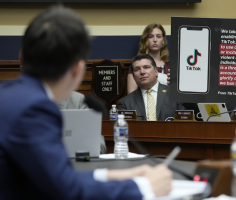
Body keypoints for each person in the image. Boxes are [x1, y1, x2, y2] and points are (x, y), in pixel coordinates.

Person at [0, 5, 172, 200]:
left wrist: (108, 175)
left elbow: (46, 175)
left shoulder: (9, 95)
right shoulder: (34, 109)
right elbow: (66, 190)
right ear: (77, 69)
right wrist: (144, 188)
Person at [119, 54, 185, 121]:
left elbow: (186, 121)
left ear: (156, 71)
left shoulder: (174, 95)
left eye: (146, 67)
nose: (142, 72)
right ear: (133, 76)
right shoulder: (125, 103)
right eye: (137, 69)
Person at [127, 23, 170, 94]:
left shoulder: (171, 64)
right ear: (146, 40)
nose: (155, 40)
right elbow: (131, 94)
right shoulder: (136, 64)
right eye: (150, 37)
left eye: (158, 36)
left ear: (163, 40)